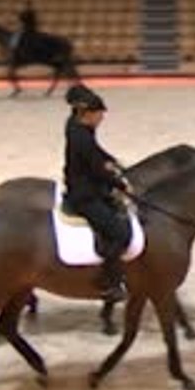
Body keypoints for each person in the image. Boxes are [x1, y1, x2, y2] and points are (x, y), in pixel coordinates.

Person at [63, 84, 131, 302]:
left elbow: (95, 152)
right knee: (120, 233)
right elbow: (96, 168)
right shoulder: (81, 136)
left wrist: (112, 160)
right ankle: (108, 283)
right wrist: (121, 184)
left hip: (83, 182)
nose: (102, 118)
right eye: (99, 114)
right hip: (85, 194)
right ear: (88, 114)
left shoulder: (76, 125)